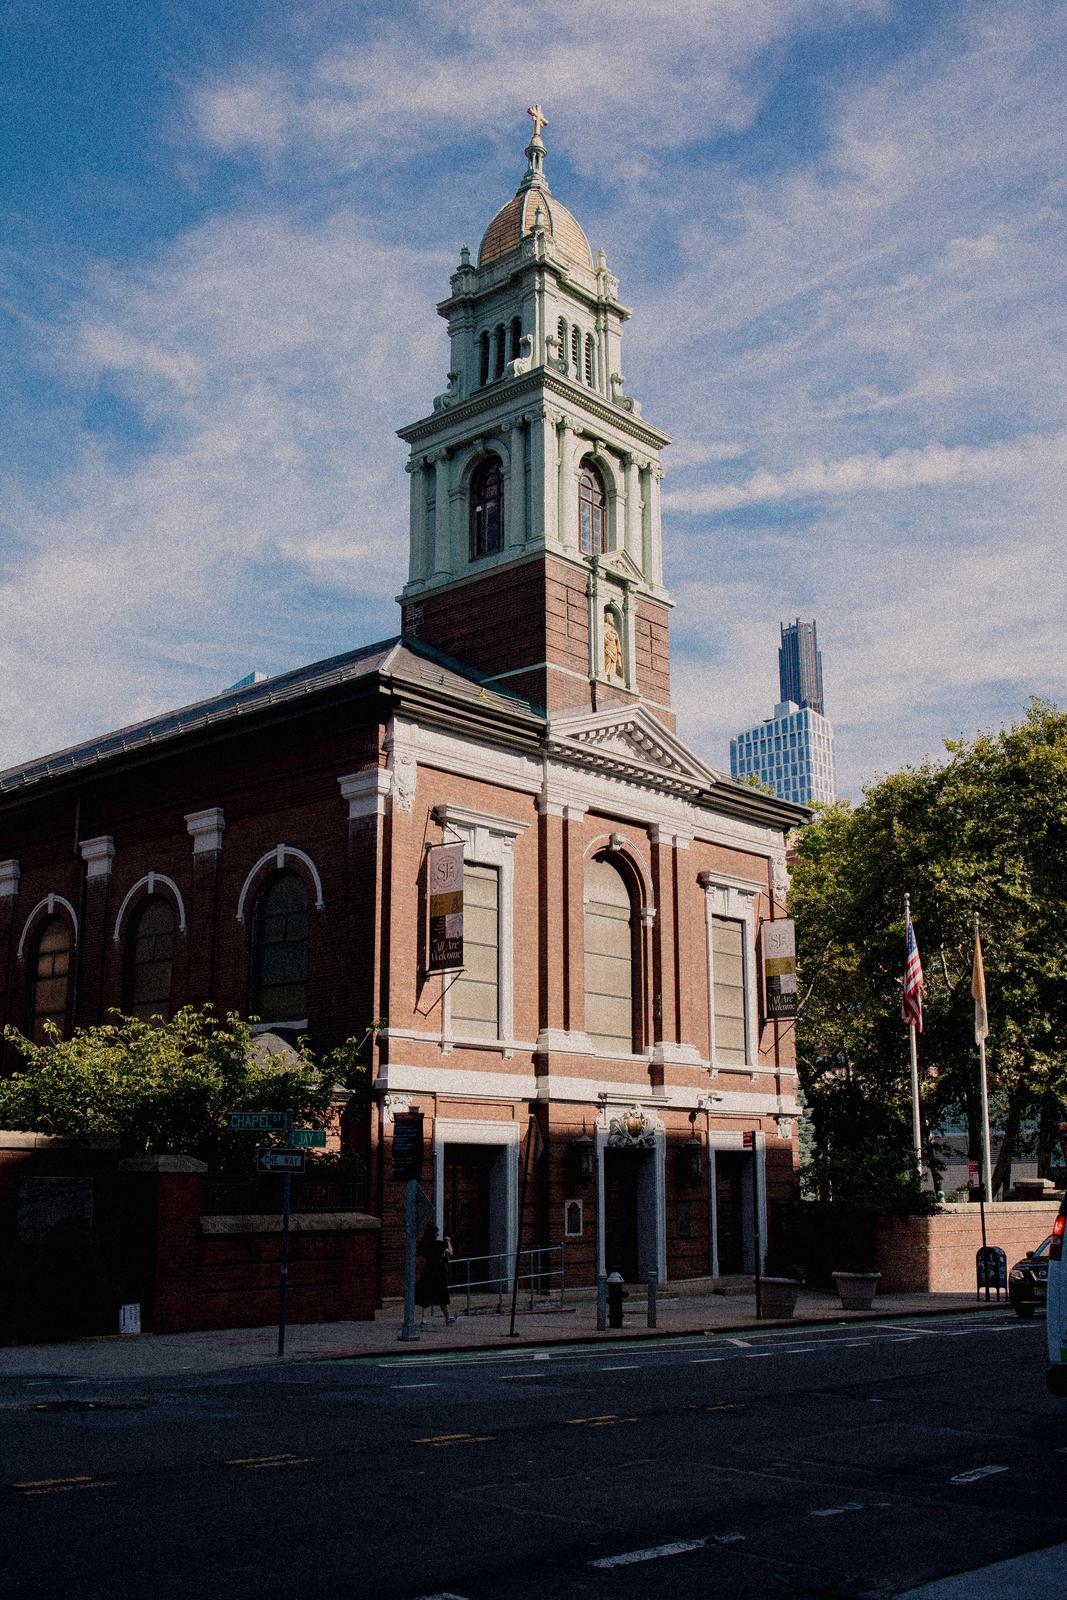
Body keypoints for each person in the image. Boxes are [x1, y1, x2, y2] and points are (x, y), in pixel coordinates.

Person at [415, 1223, 456, 1328]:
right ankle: (447, 1318)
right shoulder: (439, 1244)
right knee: (442, 1296)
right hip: (439, 1273)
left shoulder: (424, 1245)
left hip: (428, 1271)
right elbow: (450, 1253)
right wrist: (448, 1241)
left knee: (426, 1296)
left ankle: (424, 1320)